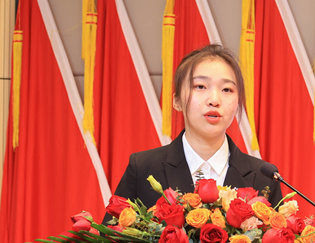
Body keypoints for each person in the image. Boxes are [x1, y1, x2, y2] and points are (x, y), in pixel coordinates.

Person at [110, 44, 282, 210]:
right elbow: (113, 230)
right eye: (200, 86)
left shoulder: (264, 178)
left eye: (227, 89)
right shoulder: (144, 169)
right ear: (177, 101)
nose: (214, 100)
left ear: (238, 103)